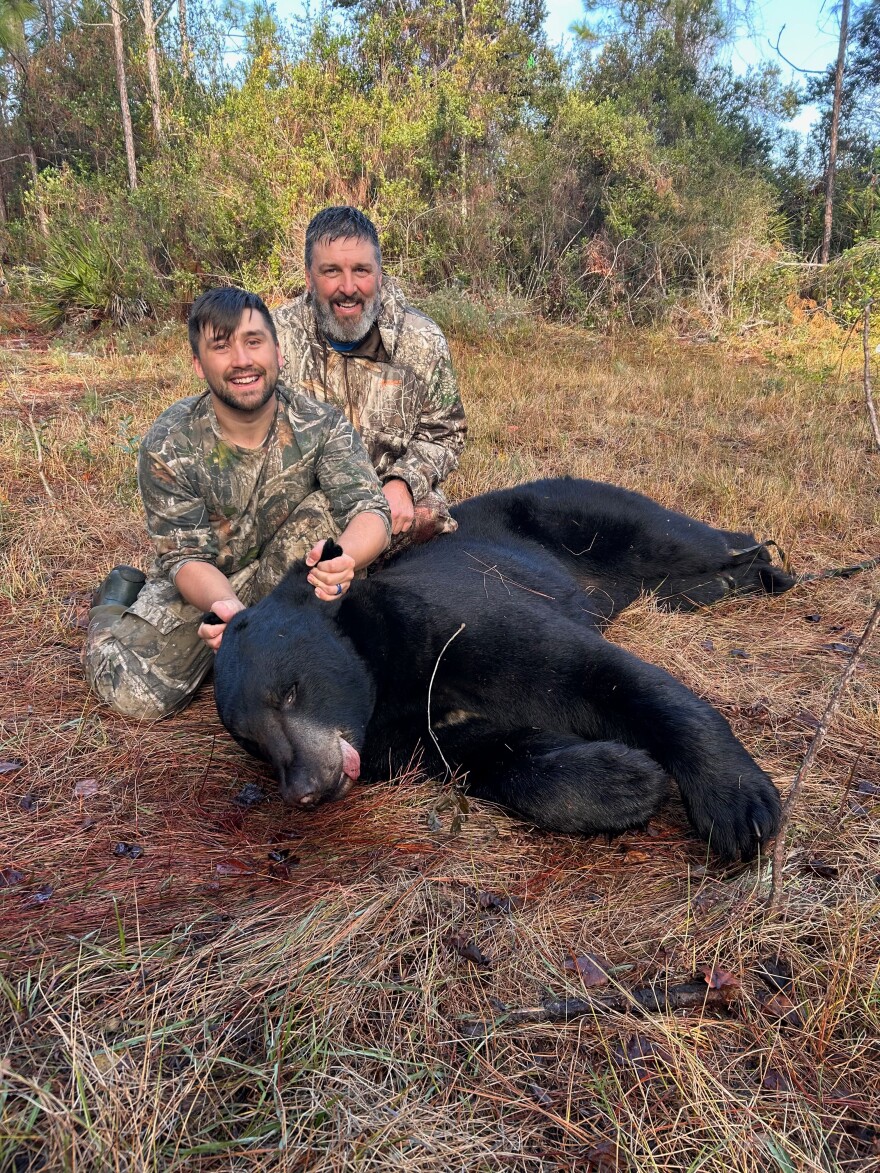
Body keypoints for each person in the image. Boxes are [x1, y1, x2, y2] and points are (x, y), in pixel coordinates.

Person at [83, 287, 391, 721]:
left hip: (285, 566)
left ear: (277, 352)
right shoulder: (169, 442)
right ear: (198, 363)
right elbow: (186, 558)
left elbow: (369, 510)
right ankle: (112, 606)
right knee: (136, 697)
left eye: (253, 341)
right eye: (221, 346)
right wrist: (230, 612)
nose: (242, 360)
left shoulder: (322, 424)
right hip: (205, 582)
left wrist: (347, 560)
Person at [273, 206, 466, 548]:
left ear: (378, 275)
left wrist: (404, 482)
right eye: (331, 271)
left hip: (388, 499)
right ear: (308, 277)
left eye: (361, 270)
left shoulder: (421, 339)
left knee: (430, 519)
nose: (348, 287)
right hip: (303, 502)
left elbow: (445, 432)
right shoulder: (273, 337)